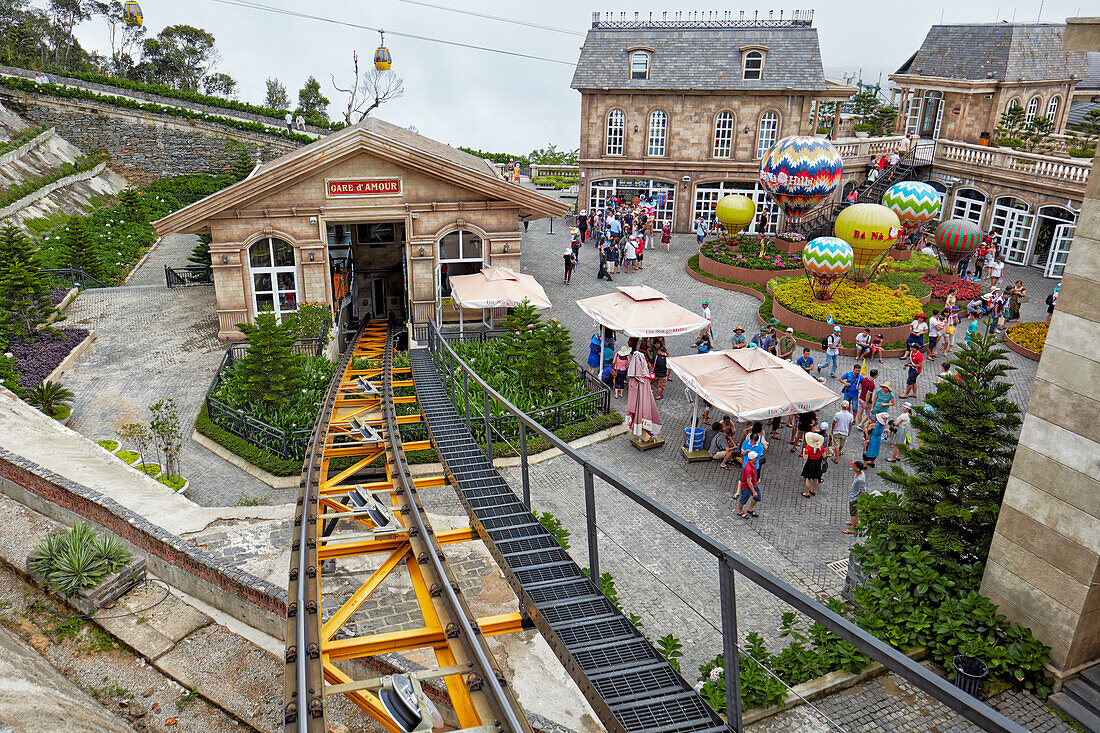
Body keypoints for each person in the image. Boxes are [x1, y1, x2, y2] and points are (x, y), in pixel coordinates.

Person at [800, 431, 827, 497]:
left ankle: (807, 493)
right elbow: (824, 455)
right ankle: (813, 490)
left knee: (808, 478)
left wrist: (803, 451)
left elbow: (805, 458)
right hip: (818, 463)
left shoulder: (808, 448)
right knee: (816, 478)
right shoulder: (821, 447)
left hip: (810, 463)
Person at [843, 461, 867, 534]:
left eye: (854, 467)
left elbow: (862, 490)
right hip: (854, 495)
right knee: (855, 511)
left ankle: (853, 528)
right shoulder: (859, 474)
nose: (852, 468)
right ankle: (855, 523)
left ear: (858, 469)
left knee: (853, 513)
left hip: (854, 497)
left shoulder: (860, 480)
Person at [830, 399, 855, 464]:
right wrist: (849, 432)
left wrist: (832, 430)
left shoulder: (837, 414)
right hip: (845, 432)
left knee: (836, 445)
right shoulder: (850, 416)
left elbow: (834, 423)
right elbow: (850, 425)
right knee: (842, 444)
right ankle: (839, 452)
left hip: (837, 431)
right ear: (848, 407)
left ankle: (837, 457)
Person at [736, 451, 760, 519]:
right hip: (746, 487)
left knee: (758, 497)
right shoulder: (748, 468)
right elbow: (748, 481)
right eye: (756, 457)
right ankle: (740, 511)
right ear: (752, 459)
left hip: (754, 485)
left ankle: (750, 509)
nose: (757, 458)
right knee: (743, 500)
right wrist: (753, 491)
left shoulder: (754, 464)